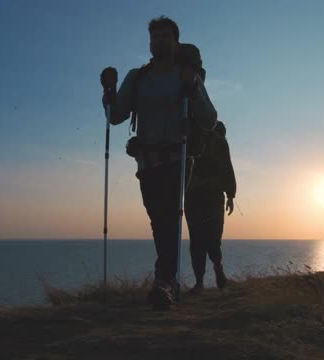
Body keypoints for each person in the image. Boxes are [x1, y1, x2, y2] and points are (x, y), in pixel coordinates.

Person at [100, 16, 217, 310]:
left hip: (179, 159)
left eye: (165, 36)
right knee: (160, 221)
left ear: (176, 41)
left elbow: (209, 119)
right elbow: (116, 116)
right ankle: (168, 281)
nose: (159, 41)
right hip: (148, 161)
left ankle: (163, 282)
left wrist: (193, 88)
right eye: (155, 37)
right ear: (150, 43)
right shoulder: (137, 78)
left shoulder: (187, 76)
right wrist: (109, 92)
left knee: (168, 218)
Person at [185, 121, 236, 293]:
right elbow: (227, 167)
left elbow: (227, 166)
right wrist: (230, 195)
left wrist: (230, 195)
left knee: (205, 238)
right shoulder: (190, 133)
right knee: (203, 238)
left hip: (205, 195)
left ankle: (209, 273)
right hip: (201, 195)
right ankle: (206, 276)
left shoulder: (196, 132)